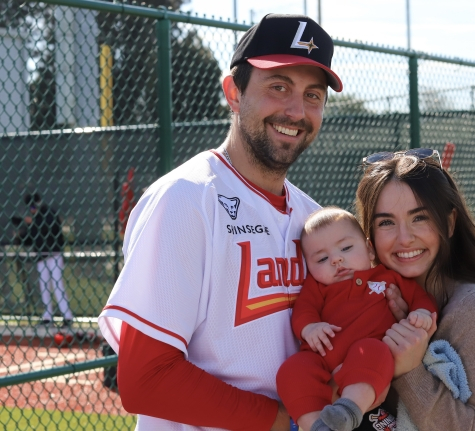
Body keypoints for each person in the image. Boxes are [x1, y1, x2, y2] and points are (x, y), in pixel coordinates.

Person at [98, 14, 347, 431]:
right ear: (233, 92)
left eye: (313, 95)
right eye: (278, 86)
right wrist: (283, 422)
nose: (296, 110)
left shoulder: (313, 219)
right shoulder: (185, 199)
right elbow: (146, 379)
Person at [354, 149, 475, 431]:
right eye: (386, 222)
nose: (404, 238)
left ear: (448, 223)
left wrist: (411, 372)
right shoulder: (370, 303)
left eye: (419, 217)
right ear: (369, 237)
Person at [276, 207, 437, 431]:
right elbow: (303, 311)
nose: (336, 259)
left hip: (368, 363)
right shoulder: (317, 287)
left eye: (346, 248)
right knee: (292, 369)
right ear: (308, 267)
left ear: (369, 249)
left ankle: (348, 410)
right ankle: (315, 425)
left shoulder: (386, 277)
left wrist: (421, 313)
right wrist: (309, 328)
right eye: (322, 258)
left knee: (375, 350)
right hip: (323, 361)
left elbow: (419, 297)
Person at [23, 193, 74, 327]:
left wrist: (33, 223)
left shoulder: (48, 214)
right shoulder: (34, 219)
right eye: (31, 207)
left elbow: (50, 228)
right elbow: (31, 239)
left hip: (54, 254)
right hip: (41, 256)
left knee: (58, 285)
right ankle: (48, 317)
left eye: (34, 206)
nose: (32, 209)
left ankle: (67, 317)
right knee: (44, 286)